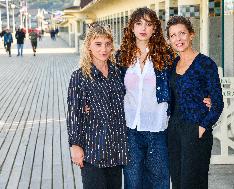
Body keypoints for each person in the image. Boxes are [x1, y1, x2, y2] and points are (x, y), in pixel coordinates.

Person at [116, 8, 211, 189]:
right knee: (133, 182)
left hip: (158, 128)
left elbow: (182, 81)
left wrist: (206, 97)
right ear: (132, 28)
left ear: (155, 29)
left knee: (160, 181)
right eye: (139, 23)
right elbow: (112, 87)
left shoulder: (166, 56)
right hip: (130, 129)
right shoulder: (122, 56)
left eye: (149, 24)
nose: (143, 28)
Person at [66, 24, 128, 189]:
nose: (104, 49)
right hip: (93, 150)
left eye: (108, 43)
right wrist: (75, 146)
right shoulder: (79, 77)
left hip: (116, 148)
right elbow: (74, 114)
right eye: (98, 44)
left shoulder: (118, 73)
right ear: (88, 46)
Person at [166, 16, 224, 189]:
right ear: (169, 40)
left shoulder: (206, 64)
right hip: (174, 131)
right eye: (173, 35)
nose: (178, 39)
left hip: (196, 130)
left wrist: (201, 128)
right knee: (177, 182)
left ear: (192, 34)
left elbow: (218, 103)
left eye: (182, 33)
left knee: (192, 183)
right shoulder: (172, 64)